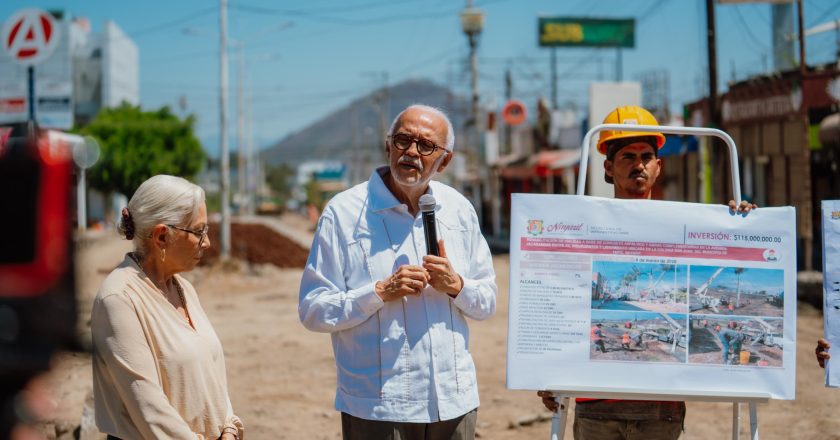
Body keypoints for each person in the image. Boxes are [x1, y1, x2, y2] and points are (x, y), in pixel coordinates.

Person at [538, 105, 755, 440]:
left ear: (658, 166)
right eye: (627, 156)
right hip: (596, 404)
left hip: (661, 408)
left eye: (646, 156)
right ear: (608, 167)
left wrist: (742, 225)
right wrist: (545, 370)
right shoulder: (581, 228)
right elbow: (556, 305)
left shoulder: (684, 226)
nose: (638, 164)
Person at [298, 104, 497, 440]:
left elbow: (487, 302)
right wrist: (378, 293)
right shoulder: (344, 213)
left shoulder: (459, 209)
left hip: (453, 402)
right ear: (388, 145)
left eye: (426, 146)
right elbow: (313, 310)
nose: (411, 152)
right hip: (379, 407)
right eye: (403, 140)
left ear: (445, 160)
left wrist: (456, 285)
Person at [91, 175, 244, 440]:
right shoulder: (118, 300)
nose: (206, 243)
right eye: (199, 232)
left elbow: (211, 375)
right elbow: (150, 410)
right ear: (162, 236)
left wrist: (228, 426)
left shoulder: (183, 288)